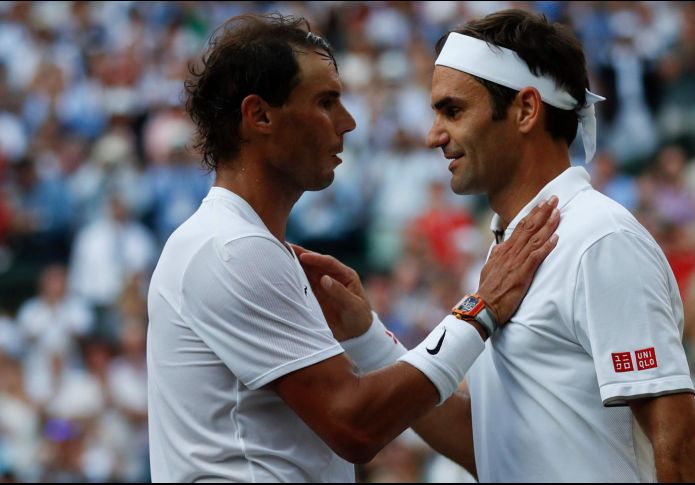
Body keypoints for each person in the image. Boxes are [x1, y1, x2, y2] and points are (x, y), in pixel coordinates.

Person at [300, 9, 695, 483]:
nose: (433, 135)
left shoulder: (600, 239)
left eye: (452, 110)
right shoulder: (509, 250)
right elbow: (489, 449)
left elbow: (681, 445)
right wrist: (368, 336)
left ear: (526, 110)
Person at [146, 13, 560, 482]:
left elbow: (466, 444)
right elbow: (356, 426)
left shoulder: (240, 243)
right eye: (326, 102)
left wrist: (366, 336)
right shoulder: (232, 248)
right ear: (259, 115)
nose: (348, 122)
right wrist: (480, 309)